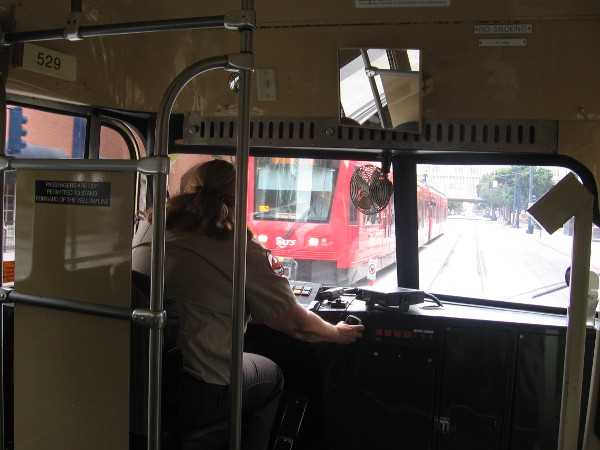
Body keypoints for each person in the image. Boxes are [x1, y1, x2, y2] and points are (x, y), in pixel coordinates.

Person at [132, 159, 364, 450]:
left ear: (189, 188)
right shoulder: (240, 248)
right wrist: (337, 333)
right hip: (195, 391)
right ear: (238, 197)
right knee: (272, 377)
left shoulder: (145, 230)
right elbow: (298, 326)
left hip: (136, 378)